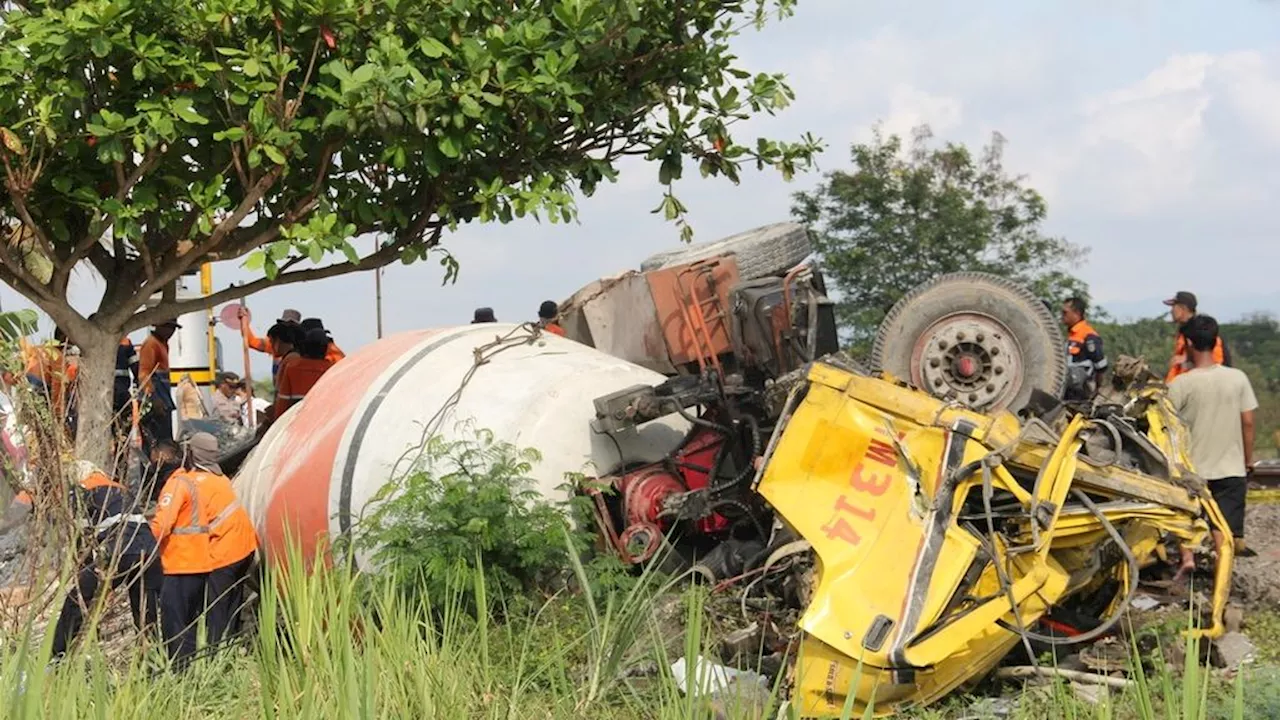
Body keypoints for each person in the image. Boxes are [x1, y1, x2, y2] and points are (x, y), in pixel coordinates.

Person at [150, 433, 258, 666]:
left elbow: (167, 522)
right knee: (231, 608)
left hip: (222, 551)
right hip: (245, 547)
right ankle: (228, 655)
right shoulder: (220, 479)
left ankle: (214, 663)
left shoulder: (193, 483)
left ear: (191, 454)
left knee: (215, 612)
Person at [1169, 315, 1259, 577]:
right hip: (1230, 469)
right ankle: (1222, 582)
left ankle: (1187, 558)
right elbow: (1248, 422)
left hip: (1193, 473)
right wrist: (1247, 460)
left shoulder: (1181, 384)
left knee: (1186, 519)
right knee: (1223, 531)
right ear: (1216, 340)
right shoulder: (1238, 378)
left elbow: (1168, 427)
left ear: (1188, 343)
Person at [50, 460, 162, 658]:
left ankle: (57, 655)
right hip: (150, 550)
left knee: (76, 599)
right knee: (145, 610)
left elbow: (81, 541)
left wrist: (85, 576)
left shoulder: (82, 491)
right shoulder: (120, 488)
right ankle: (151, 660)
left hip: (119, 550)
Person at [1164, 291, 1231, 383]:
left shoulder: (1202, 330)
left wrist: (1187, 360)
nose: (1171, 311)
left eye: (1173, 306)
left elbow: (1214, 365)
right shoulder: (1184, 331)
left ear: (1183, 308)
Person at [271, 328, 334, 420]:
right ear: (325, 349)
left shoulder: (292, 368)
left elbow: (282, 406)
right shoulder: (333, 369)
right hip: (323, 422)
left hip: (297, 423)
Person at [138, 320, 180, 449]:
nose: (171, 332)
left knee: (165, 441)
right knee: (155, 443)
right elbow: (144, 374)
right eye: (169, 327)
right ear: (159, 326)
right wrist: (153, 398)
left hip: (163, 397)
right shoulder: (151, 343)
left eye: (173, 328)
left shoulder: (163, 344)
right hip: (155, 399)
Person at [1061, 297, 1107, 401]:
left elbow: (1100, 366)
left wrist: (1097, 389)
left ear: (1077, 313)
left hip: (1079, 390)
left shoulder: (1088, 335)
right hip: (1066, 389)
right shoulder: (1070, 335)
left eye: (1065, 313)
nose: (1062, 316)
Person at [243, 308, 302, 378]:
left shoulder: (303, 349)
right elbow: (251, 342)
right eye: (284, 325)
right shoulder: (274, 344)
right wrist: (244, 322)